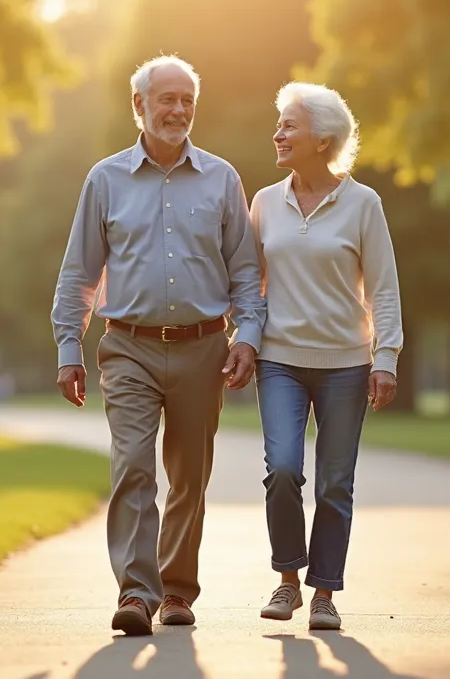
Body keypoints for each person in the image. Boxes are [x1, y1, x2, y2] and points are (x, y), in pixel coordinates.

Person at [51, 55, 266, 636]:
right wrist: (69, 346)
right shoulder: (105, 179)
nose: (177, 110)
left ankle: (176, 591)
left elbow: (245, 272)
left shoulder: (222, 179)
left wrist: (247, 336)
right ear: (138, 106)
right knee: (132, 466)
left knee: (190, 475)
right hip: (128, 347)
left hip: (203, 348)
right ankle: (137, 593)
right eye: (166, 99)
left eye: (186, 101)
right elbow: (80, 275)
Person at [249, 82, 403, 630]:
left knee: (336, 481)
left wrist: (384, 357)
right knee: (284, 469)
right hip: (280, 361)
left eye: (289, 124)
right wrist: (242, 340)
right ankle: (288, 580)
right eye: (280, 123)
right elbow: (250, 283)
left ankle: (324, 593)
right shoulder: (265, 203)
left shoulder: (364, 204)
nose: (279, 133)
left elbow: (382, 288)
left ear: (323, 137)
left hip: (346, 363)